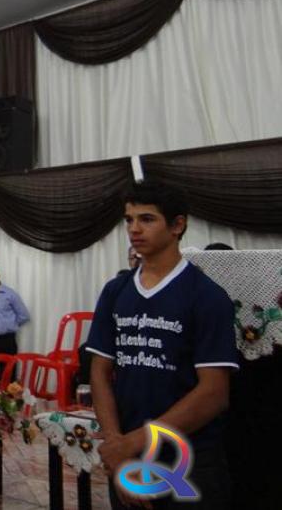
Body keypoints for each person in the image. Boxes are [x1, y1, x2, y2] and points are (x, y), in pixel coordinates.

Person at [87, 182, 238, 509]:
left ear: (177, 225)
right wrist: (117, 447)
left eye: (147, 219)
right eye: (129, 220)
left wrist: (132, 443)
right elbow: (99, 372)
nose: (134, 229)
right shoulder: (115, 291)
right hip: (128, 457)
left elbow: (214, 392)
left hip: (188, 461)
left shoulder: (206, 296)